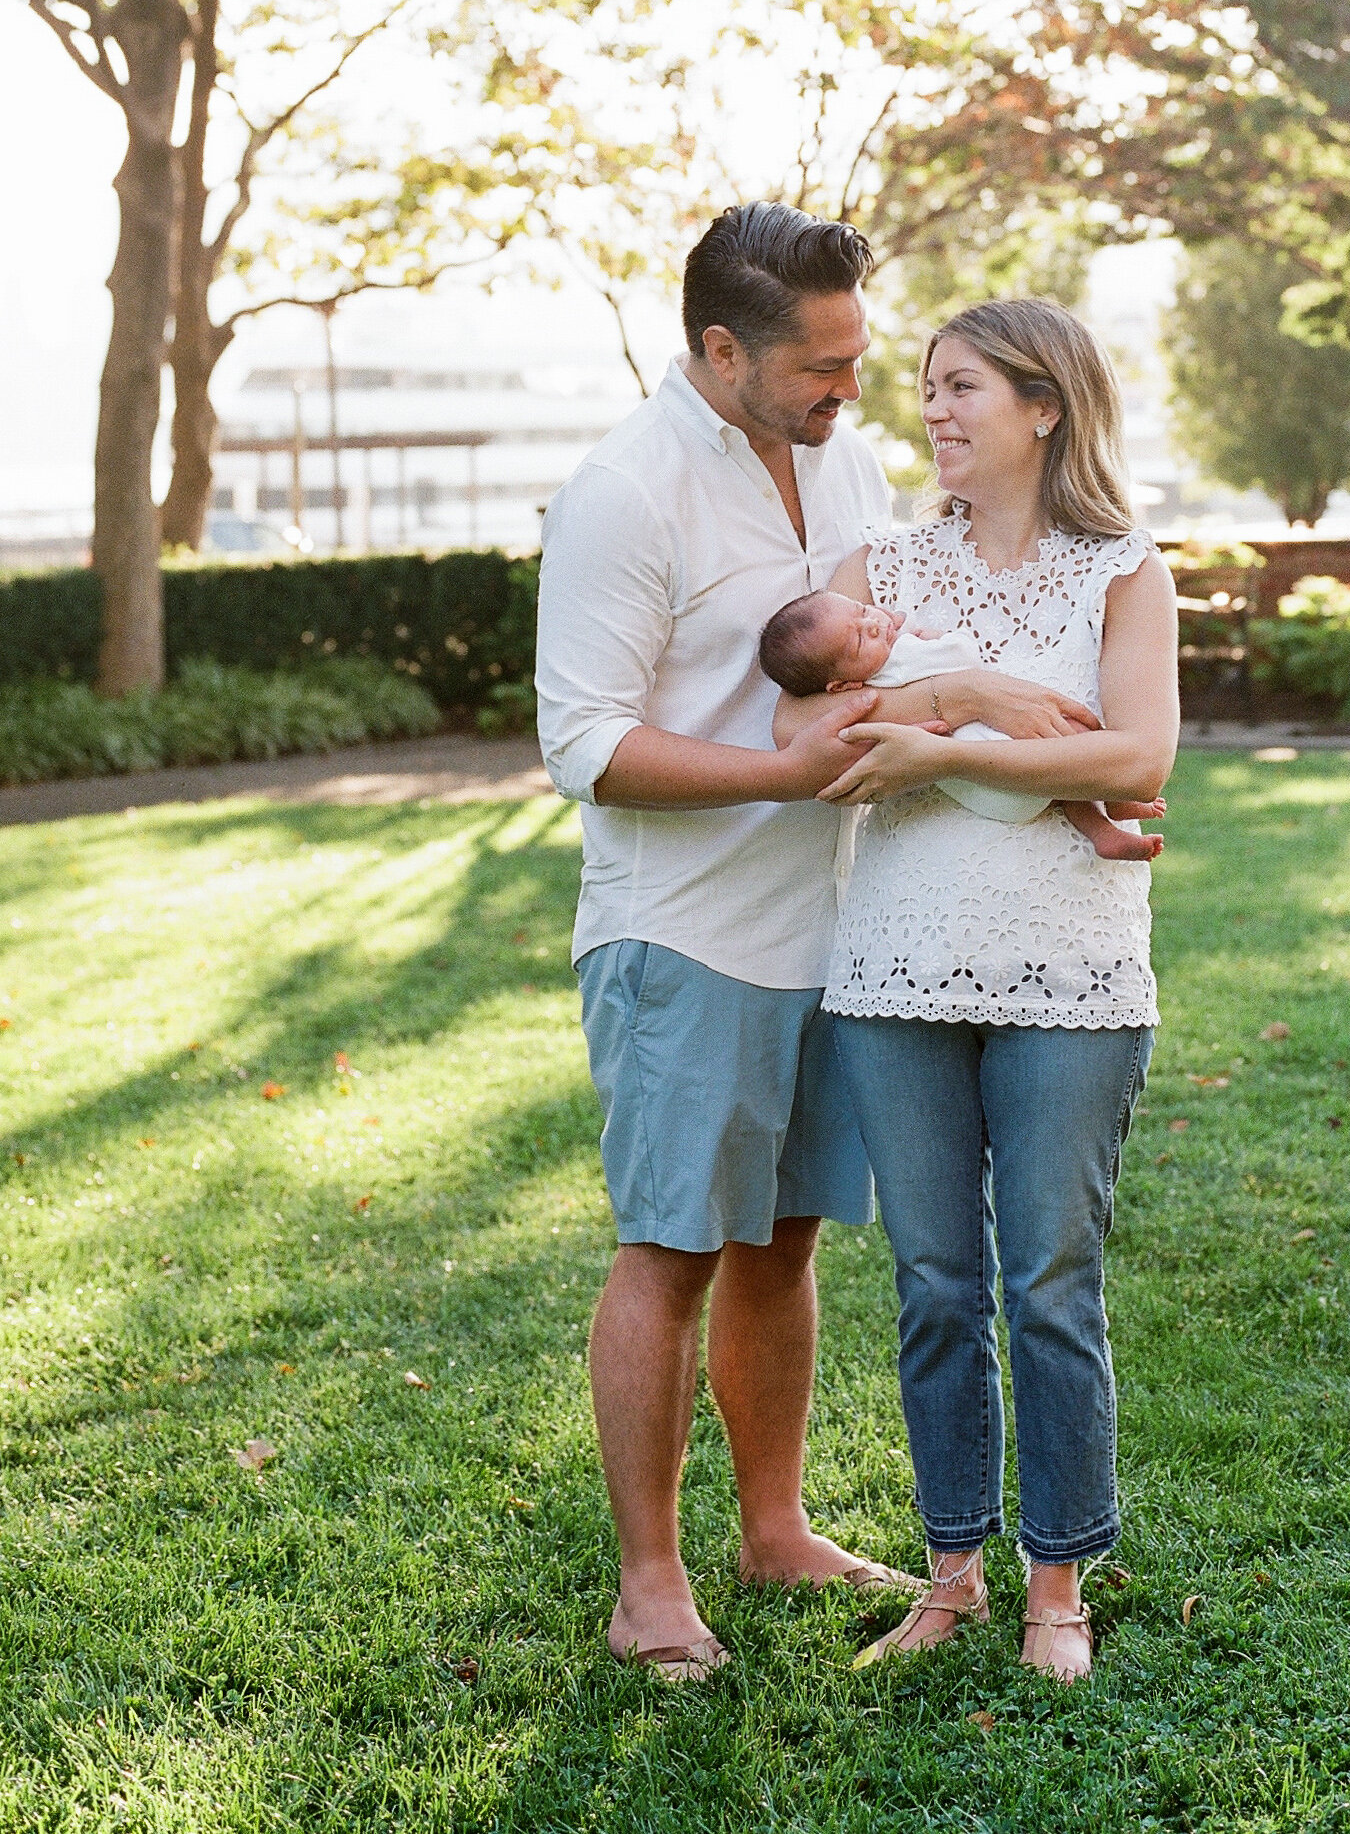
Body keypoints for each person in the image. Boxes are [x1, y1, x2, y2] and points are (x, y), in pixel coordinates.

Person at [535, 207, 1099, 1681]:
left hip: (838, 933)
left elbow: (888, 640)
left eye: (860, 355)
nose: (855, 389)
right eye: (820, 363)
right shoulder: (624, 492)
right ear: (721, 351)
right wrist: (784, 774)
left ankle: (772, 1524)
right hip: (688, 934)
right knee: (670, 1250)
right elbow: (583, 742)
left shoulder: (840, 457)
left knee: (782, 1249)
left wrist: (972, 693)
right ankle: (649, 1580)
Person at [776, 298, 1179, 1684]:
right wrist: (979, 694)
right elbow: (801, 727)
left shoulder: (1125, 570)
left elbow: (1139, 757)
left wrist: (950, 728)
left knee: (1050, 1279)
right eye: (929, 390)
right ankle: (950, 1574)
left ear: (1045, 405)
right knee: (937, 1283)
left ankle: (1055, 1585)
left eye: (965, 389)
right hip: (892, 970)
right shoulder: (883, 566)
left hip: (1073, 975)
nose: (936, 411)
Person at [759, 589, 1163, 862]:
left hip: (984, 792)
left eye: (864, 611)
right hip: (989, 765)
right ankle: (1110, 802)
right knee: (1066, 732)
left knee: (1056, 779)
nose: (874, 624)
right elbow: (962, 652)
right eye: (858, 641)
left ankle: (1102, 830)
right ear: (843, 684)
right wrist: (925, 636)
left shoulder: (866, 687)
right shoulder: (899, 659)